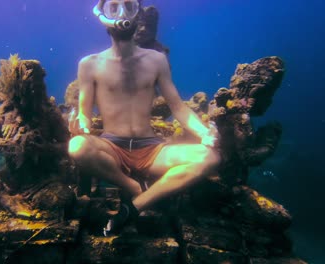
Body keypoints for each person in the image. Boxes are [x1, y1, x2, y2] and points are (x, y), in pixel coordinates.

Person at [68, 0, 220, 236]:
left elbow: (178, 107)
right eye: (114, 7)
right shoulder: (89, 64)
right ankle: (134, 186)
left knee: (209, 157)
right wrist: (81, 127)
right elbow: (85, 115)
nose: (122, 13)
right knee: (76, 146)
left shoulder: (156, 59)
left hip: (151, 148)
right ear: (102, 14)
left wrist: (204, 133)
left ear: (138, 13)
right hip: (111, 147)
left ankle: (135, 207)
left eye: (129, 6)